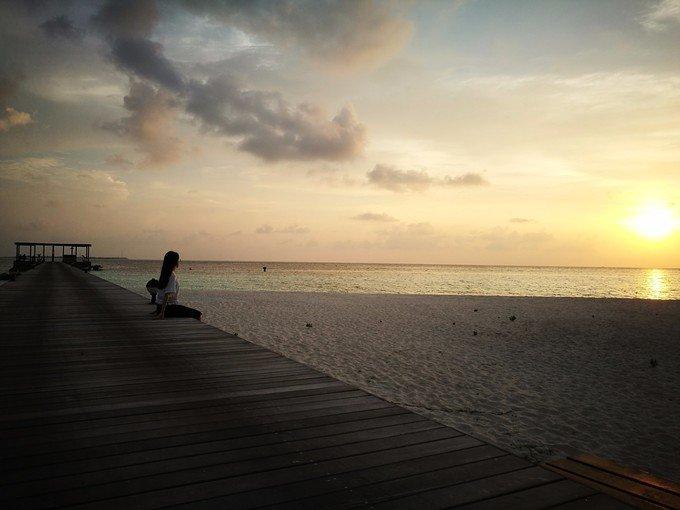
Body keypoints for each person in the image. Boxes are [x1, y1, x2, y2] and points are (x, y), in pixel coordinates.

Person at [153, 251, 202, 320]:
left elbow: (160, 295)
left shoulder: (164, 274)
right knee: (198, 314)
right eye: (178, 260)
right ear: (175, 262)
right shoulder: (172, 275)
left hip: (160, 307)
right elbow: (167, 295)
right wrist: (162, 313)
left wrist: (158, 310)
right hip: (169, 308)